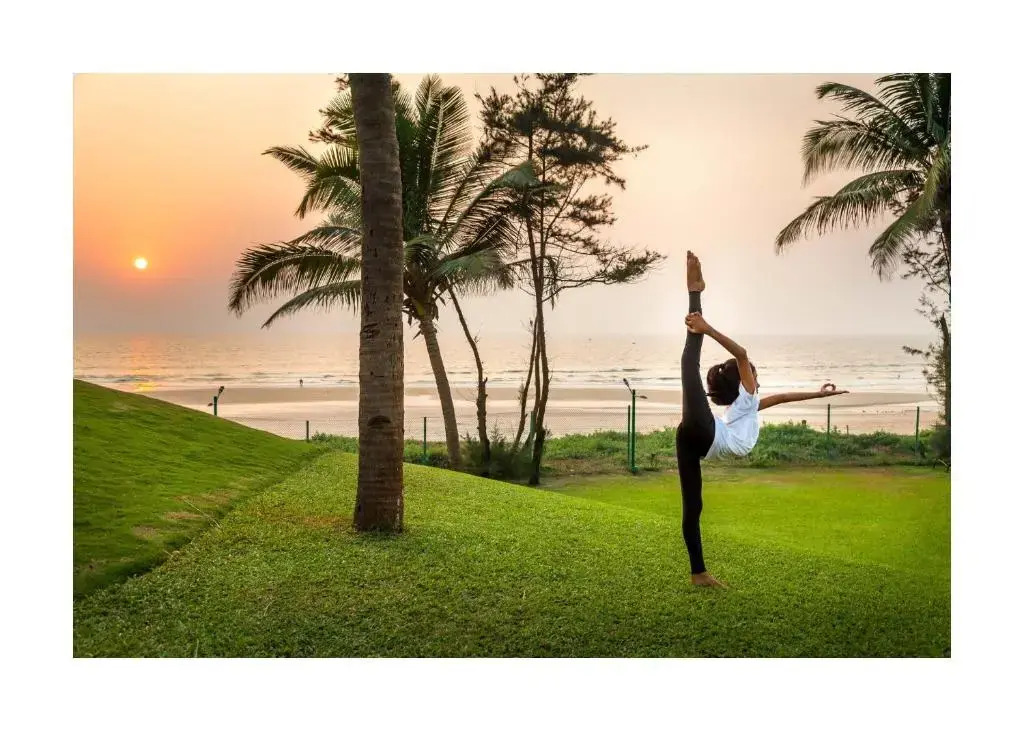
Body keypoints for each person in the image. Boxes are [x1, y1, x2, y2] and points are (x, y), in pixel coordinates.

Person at [678, 251, 848, 588]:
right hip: (705, 436)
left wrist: (819, 394)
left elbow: (782, 398)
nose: (754, 375)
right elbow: (741, 354)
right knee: (688, 365)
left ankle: (699, 574)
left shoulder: (746, 406)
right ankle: (695, 292)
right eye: (751, 374)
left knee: (694, 506)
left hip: (701, 440)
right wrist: (706, 329)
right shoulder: (748, 393)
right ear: (744, 381)